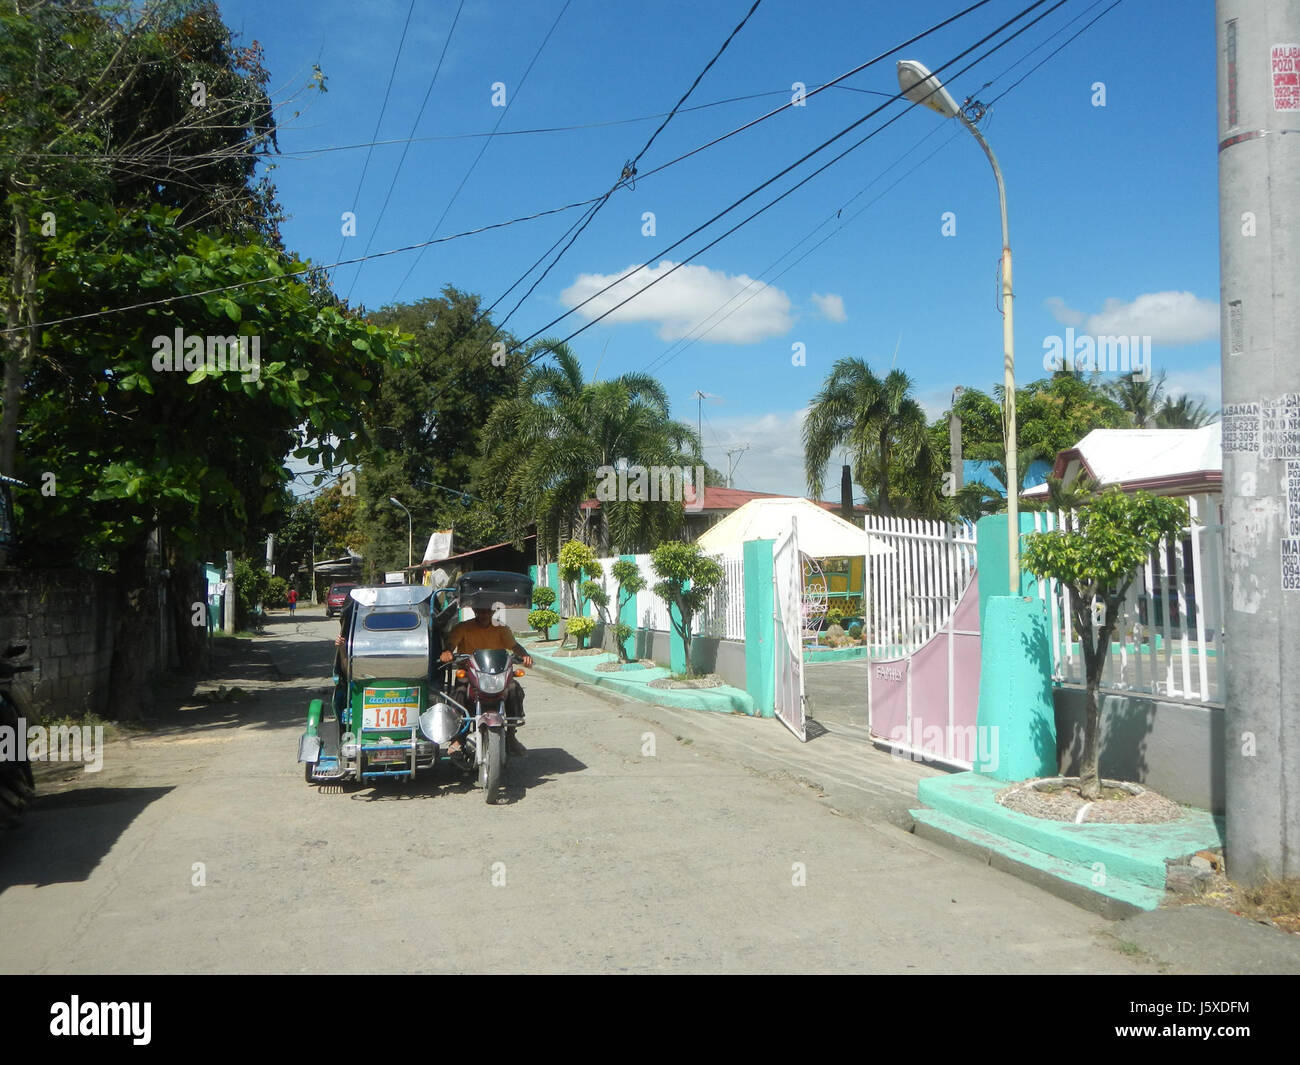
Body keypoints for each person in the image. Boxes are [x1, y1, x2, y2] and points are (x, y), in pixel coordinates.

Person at [440, 599, 532, 756]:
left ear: (492, 612)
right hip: (471, 674)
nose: (483, 615)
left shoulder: (501, 629)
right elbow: (450, 645)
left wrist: (524, 655)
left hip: (497, 675)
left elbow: (514, 645)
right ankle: (458, 738)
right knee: (459, 693)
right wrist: (447, 652)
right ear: (475, 611)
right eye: (480, 611)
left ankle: (511, 734)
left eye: (487, 611)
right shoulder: (463, 628)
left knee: (514, 689)